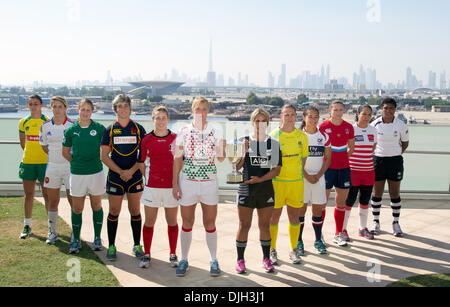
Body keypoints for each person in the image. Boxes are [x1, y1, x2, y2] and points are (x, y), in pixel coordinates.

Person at [172, 96, 226, 277]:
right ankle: (184, 259)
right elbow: (177, 158)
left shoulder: (216, 131)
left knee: (209, 223)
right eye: (197, 109)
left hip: (209, 183)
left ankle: (213, 259)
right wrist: (175, 184)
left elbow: (220, 158)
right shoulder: (183, 130)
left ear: (208, 111)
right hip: (188, 183)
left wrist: (222, 148)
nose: (200, 112)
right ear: (192, 110)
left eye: (204, 109)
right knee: (187, 222)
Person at [235, 108, 282, 274]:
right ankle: (240, 260)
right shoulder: (244, 141)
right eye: (257, 121)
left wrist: (260, 180)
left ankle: (266, 259)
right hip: (246, 190)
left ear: (267, 123)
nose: (260, 124)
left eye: (263, 121)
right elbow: (236, 166)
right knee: (244, 225)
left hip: (265, 190)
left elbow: (276, 170)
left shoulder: (274, 144)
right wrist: (244, 151)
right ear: (252, 122)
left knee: (264, 225)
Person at [100, 94, 146, 261]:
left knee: (135, 211)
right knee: (114, 211)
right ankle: (111, 246)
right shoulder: (109, 130)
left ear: (130, 108)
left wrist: (131, 171)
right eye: (120, 106)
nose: (123, 109)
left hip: (134, 176)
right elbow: (104, 157)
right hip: (115, 177)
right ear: (115, 109)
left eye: (126, 105)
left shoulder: (139, 129)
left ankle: (137, 244)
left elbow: (143, 156)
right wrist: (121, 172)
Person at [62, 98, 106, 254]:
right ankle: (75, 240)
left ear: (92, 111)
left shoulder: (100, 128)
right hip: (78, 174)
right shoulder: (70, 130)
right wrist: (77, 162)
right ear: (78, 110)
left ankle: (97, 238)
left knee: (96, 206)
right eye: (83, 109)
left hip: (96, 172)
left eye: (88, 110)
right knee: (77, 208)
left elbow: (108, 148)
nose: (85, 112)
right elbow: (65, 152)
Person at [137, 105, 179, 269]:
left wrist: (176, 184)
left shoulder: (175, 138)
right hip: (152, 187)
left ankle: (173, 254)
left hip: (171, 187)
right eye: (157, 118)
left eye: (164, 118)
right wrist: (149, 178)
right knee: (149, 222)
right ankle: (147, 255)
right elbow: (141, 164)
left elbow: (179, 162)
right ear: (153, 119)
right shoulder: (146, 140)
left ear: (167, 119)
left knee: (172, 221)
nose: (161, 121)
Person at [269, 104, 309, 265]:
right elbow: (271, 164)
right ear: (281, 116)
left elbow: (303, 160)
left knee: (294, 217)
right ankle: (272, 250)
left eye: (293, 115)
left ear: (296, 117)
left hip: (296, 183)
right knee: (274, 217)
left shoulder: (302, 136)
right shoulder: (273, 136)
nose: (290, 117)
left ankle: (294, 250)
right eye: (287, 114)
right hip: (277, 183)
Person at [370, 97, 409, 237]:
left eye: (391, 108)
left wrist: (395, 153)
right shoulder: (374, 124)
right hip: (378, 161)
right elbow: (370, 144)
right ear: (382, 109)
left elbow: (405, 143)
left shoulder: (401, 125)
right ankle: (375, 222)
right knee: (376, 193)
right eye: (385, 108)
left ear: (395, 109)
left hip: (395, 162)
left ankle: (396, 223)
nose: (388, 110)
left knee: (395, 193)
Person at [39, 96, 75, 244]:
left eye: (60, 106)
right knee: (53, 201)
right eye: (55, 106)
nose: (57, 109)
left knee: (74, 201)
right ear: (51, 108)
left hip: (70, 168)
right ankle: (52, 232)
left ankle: (75, 232)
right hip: (52, 168)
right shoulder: (45, 126)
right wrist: (55, 157)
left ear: (65, 108)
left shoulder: (73, 125)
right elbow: (44, 146)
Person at [318, 100, 355, 247]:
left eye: (341, 110)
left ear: (343, 111)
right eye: (335, 110)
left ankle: (338, 233)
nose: (338, 112)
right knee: (322, 203)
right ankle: (319, 234)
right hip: (327, 169)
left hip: (344, 169)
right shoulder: (322, 127)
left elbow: (351, 148)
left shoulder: (348, 127)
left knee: (341, 203)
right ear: (330, 111)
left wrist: (342, 158)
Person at [297, 106, 331, 255]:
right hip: (302, 178)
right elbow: (296, 160)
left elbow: (328, 159)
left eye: (316, 116)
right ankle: (298, 241)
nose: (313, 119)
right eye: (310, 116)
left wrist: (317, 175)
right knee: (300, 211)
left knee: (317, 210)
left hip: (318, 178)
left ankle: (318, 240)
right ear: (304, 118)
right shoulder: (298, 135)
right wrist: (306, 175)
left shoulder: (324, 136)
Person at [343, 105, 377, 241]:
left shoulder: (373, 130)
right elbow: (346, 148)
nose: (366, 117)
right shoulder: (351, 129)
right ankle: (343, 229)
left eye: (369, 115)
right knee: (349, 201)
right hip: (352, 171)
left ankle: (362, 228)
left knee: (364, 201)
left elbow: (373, 147)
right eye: (364, 114)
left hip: (368, 171)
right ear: (357, 114)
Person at [18, 95, 49, 239]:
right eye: (31, 104)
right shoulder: (23, 122)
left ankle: (51, 227)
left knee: (47, 195)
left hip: (45, 163)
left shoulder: (47, 121)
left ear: (41, 105)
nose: (33, 106)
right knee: (29, 195)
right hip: (28, 162)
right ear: (27, 105)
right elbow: (23, 143)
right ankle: (27, 225)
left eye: (36, 104)